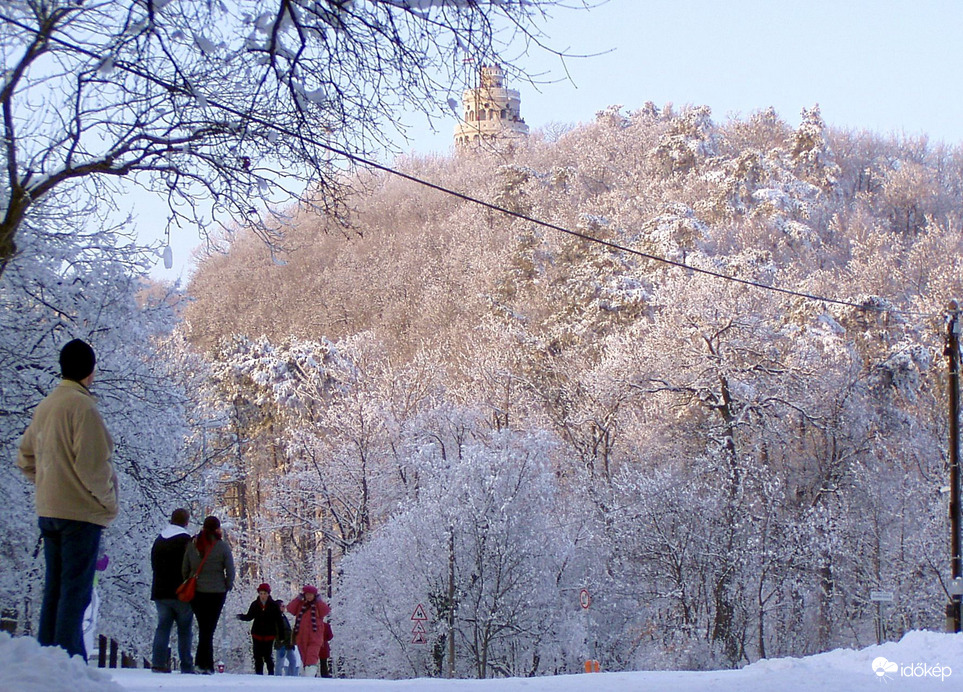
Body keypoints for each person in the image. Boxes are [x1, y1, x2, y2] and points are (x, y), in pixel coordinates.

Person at [16, 339, 118, 660]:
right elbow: (92, 467)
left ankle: (47, 662)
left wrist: (49, 484)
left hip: (49, 512)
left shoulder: (46, 405)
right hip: (80, 516)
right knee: (75, 593)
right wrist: (109, 503)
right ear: (91, 371)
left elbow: (25, 458)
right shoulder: (83, 407)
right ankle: (68, 664)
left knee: (54, 591)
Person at [182, 515, 234, 675]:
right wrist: (227, 585)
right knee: (208, 628)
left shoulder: (193, 545)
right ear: (217, 529)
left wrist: (188, 581)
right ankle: (206, 665)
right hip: (217, 593)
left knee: (204, 627)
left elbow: (185, 567)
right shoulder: (222, 547)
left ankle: (202, 664)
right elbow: (230, 570)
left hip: (197, 592)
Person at [150, 508, 194, 674]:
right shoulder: (186, 541)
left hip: (160, 592)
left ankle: (158, 663)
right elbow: (191, 566)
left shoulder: (159, 540)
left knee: (162, 628)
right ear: (186, 522)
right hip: (181, 593)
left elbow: (154, 564)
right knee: (184, 630)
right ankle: (186, 665)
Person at [236, 583, 285, 674]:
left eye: (265, 593)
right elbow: (249, 616)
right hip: (257, 634)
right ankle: (258, 674)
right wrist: (240, 617)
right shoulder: (255, 604)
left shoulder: (274, 606)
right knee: (257, 656)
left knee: (267, 656)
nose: (263, 596)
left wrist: (281, 636)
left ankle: (271, 673)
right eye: (261, 593)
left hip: (269, 635)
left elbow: (279, 622)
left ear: (268, 594)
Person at [286, 585, 331, 677]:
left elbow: (326, 611)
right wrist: (298, 599)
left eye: (311, 594)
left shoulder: (318, 605)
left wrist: (319, 601)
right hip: (301, 636)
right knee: (305, 657)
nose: (309, 596)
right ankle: (306, 674)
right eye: (307, 594)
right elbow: (290, 609)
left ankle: (309, 677)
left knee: (312, 657)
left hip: (315, 636)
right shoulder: (300, 605)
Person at [273, 600, 298, 676]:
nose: (284, 608)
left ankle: (291, 677)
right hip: (281, 644)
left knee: (293, 661)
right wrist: (281, 642)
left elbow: (288, 630)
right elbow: (277, 631)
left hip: (288, 644)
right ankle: (277, 677)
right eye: (282, 606)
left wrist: (291, 642)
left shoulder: (283, 616)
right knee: (280, 663)